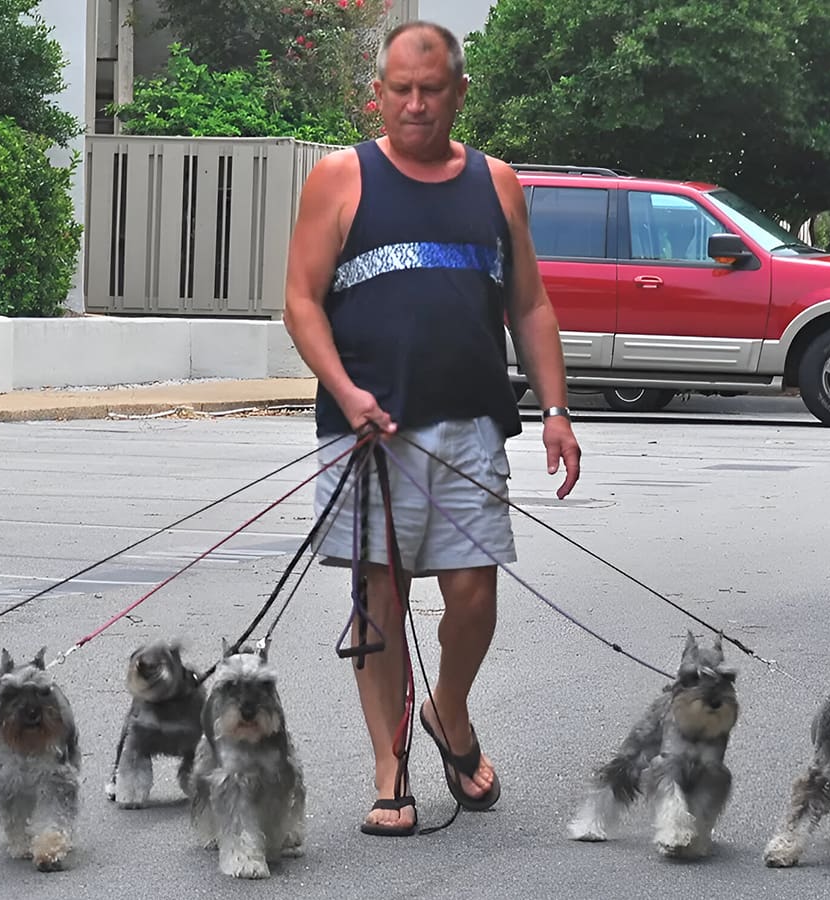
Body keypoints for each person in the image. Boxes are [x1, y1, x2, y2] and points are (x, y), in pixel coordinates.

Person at [280, 19, 582, 836]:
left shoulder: (497, 182)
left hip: (471, 425)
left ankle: (449, 710)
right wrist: (343, 392)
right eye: (400, 90)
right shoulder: (340, 179)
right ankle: (390, 766)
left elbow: (530, 303)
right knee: (377, 597)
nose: (414, 106)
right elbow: (301, 302)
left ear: (458, 91)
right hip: (366, 431)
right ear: (377, 91)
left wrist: (556, 410)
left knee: (474, 591)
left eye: (432, 89)